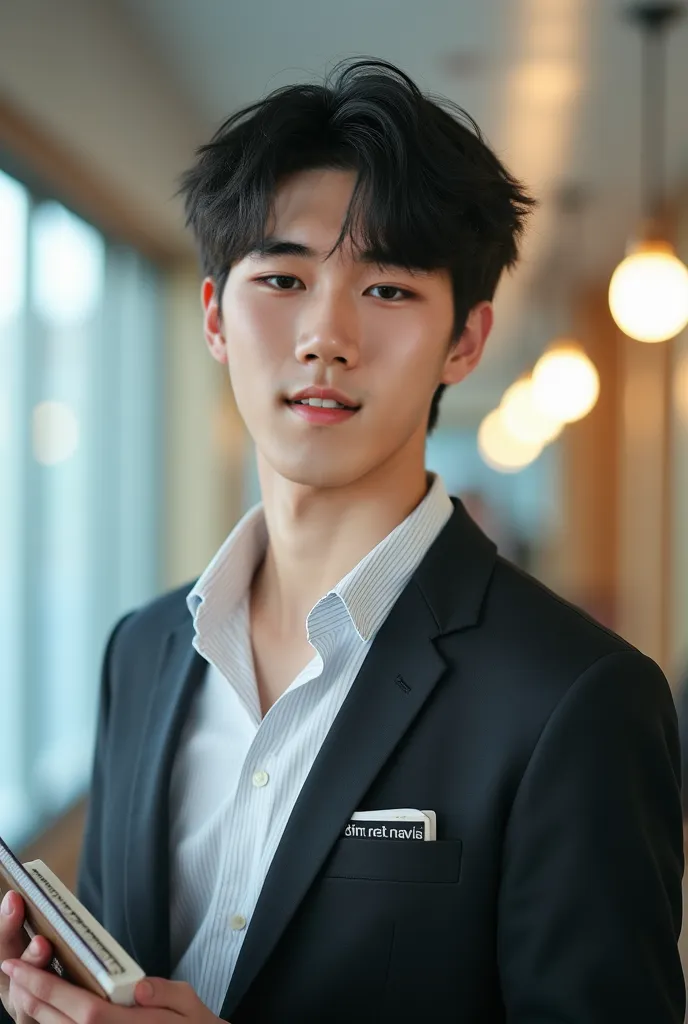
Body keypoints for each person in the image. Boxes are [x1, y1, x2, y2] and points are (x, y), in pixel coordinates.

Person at [0, 58, 684, 1024]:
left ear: (467, 341)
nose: (326, 335)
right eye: (282, 277)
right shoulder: (142, 651)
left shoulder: (577, 699)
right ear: (213, 318)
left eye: (390, 291)